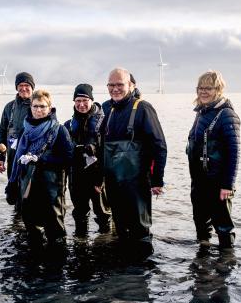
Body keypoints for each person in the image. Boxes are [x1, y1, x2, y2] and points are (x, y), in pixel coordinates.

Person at [97, 68, 167, 244]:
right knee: (120, 227)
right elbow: (102, 148)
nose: (115, 89)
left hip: (136, 184)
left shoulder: (143, 108)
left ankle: (141, 269)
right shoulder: (108, 109)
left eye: (120, 84)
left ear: (131, 85)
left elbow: (159, 146)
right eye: (111, 85)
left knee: (139, 231)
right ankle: (122, 268)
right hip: (113, 184)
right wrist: (99, 178)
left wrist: (157, 179)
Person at [8, 89, 72, 241]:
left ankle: (57, 260)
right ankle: (34, 258)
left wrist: (41, 160)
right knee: (31, 224)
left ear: (50, 108)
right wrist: (12, 184)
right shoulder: (25, 129)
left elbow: (69, 158)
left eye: (42, 106)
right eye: (35, 106)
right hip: (28, 184)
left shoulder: (59, 130)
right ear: (31, 107)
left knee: (54, 230)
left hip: (52, 187)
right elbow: (17, 157)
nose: (38, 110)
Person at [187, 70, 241, 248]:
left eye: (208, 88)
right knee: (200, 222)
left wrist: (228, 184)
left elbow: (234, 152)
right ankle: (202, 260)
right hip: (199, 180)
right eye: (200, 88)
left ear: (218, 89)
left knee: (223, 226)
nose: (203, 92)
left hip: (218, 183)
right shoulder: (201, 112)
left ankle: (226, 263)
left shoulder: (227, 115)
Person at [63, 83, 111, 235]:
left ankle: (105, 243)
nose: (81, 104)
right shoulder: (68, 125)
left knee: (103, 214)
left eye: (85, 100)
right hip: (76, 177)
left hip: (97, 177)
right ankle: (80, 244)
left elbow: (108, 153)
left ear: (91, 100)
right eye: (78, 101)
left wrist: (101, 179)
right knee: (79, 213)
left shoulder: (104, 123)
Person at [0, 72, 35, 178]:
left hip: (32, 159)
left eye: (27, 85)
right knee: (12, 189)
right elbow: (2, 132)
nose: (23, 88)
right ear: (16, 87)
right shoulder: (9, 107)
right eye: (20, 85)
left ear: (32, 87)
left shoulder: (39, 106)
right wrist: (0, 158)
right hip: (12, 157)